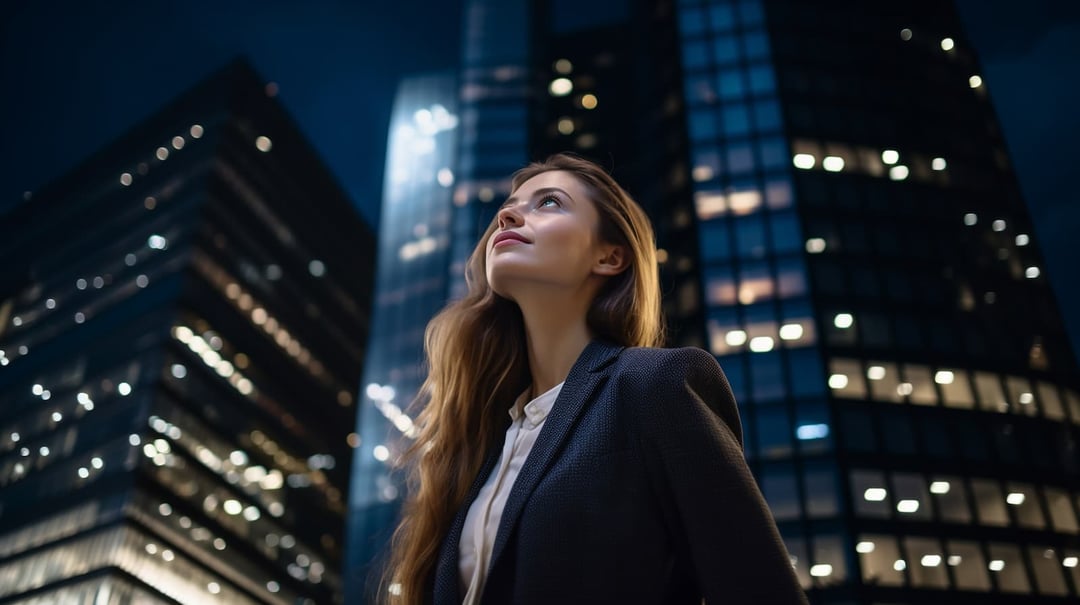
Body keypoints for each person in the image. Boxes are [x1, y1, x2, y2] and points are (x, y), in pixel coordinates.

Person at [380, 153, 808, 604]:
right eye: (510, 205)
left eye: (548, 203)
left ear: (609, 257)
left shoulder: (654, 384)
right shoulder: (485, 441)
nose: (506, 214)